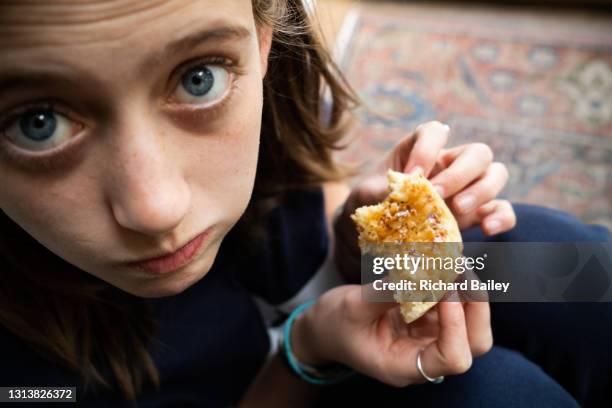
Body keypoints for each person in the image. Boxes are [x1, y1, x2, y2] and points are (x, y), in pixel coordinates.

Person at [0, 1, 608, 407]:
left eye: (198, 79)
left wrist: (354, 234)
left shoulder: (268, 101)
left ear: (264, 40)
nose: (157, 207)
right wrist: (306, 352)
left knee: (564, 265)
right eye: (38, 123)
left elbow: (299, 211)